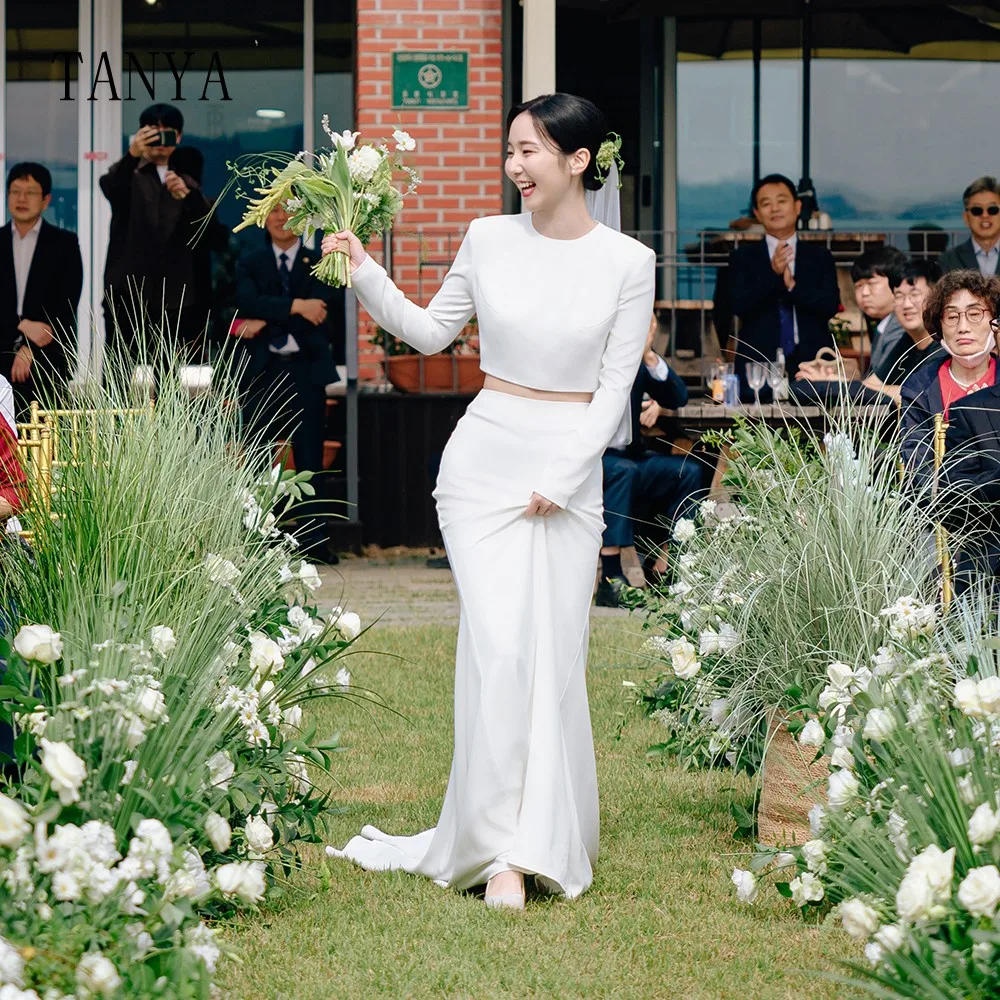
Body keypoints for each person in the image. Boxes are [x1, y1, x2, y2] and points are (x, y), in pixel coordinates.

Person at [323, 93, 655, 908]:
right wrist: (364, 269)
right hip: (483, 466)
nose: (515, 168)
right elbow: (431, 333)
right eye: (510, 152)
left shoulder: (628, 261)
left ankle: (542, 838)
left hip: (569, 473)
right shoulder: (486, 238)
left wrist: (568, 473)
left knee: (553, 655)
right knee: (499, 649)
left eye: (530, 151)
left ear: (577, 161)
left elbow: (615, 390)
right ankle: (498, 854)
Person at [233, 204, 345, 558]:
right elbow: (244, 301)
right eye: (274, 211)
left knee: (310, 456)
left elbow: (325, 310)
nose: (281, 218)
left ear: (303, 219)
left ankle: (314, 542)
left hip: (305, 371)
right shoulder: (249, 262)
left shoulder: (320, 263)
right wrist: (297, 306)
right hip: (260, 373)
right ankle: (253, 543)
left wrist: (268, 315)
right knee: (254, 456)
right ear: (263, 218)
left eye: (289, 212)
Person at [100, 103, 219, 360]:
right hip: (128, 295)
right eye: (154, 131)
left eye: (168, 132)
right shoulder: (129, 173)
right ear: (142, 134)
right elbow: (111, 189)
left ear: (178, 137)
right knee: (120, 374)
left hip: (179, 299)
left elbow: (212, 234)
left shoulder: (189, 178)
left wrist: (188, 198)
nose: (160, 138)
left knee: (175, 378)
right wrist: (133, 153)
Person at [596, 313, 698, 608]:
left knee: (687, 471)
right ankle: (611, 580)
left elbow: (678, 397)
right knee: (623, 472)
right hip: (593, 458)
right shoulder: (591, 356)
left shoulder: (637, 360)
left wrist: (649, 356)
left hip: (631, 455)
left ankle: (678, 571)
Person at [728, 174, 840, 396]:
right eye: (766, 204)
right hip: (758, 364)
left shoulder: (819, 256)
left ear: (797, 206)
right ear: (757, 214)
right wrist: (773, 275)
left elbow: (829, 306)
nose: (775, 209)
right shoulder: (742, 257)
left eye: (781, 201)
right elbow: (738, 305)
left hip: (812, 361)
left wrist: (792, 288)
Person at [0, 162, 83, 414]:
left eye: (30, 192)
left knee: (46, 439)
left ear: (46, 200)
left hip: (47, 359)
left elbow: (66, 306)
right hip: (0, 354)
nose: (21, 199)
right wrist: (22, 325)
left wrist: (29, 348)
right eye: (15, 191)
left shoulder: (65, 245)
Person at [899, 270, 1000, 474]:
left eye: (974, 314)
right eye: (952, 316)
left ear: (995, 321)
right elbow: (918, 468)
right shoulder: (919, 388)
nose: (963, 327)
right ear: (939, 325)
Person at [862, 258, 943, 404]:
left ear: (936, 297)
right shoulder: (907, 341)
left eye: (914, 294)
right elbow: (871, 384)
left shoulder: (944, 343)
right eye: (899, 296)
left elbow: (920, 397)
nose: (906, 304)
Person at [851, 247, 907, 375]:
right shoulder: (886, 324)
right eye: (858, 286)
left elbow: (882, 383)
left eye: (871, 283)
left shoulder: (902, 326)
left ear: (896, 282)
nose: (864, 293)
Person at [938, 177, 1000, 278]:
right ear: (966, 217)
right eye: (977, 210)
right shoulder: (948, 261)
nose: (985, 215)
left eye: (992, 209)